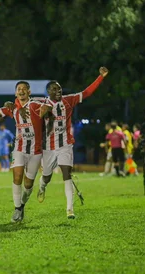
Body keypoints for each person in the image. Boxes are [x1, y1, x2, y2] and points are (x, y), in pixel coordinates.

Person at [36, 66, 109, 219]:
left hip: (65, 145)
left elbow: (87, 93)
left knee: (66, 174)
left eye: (60, 89)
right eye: (55, 89)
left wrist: (100, 77)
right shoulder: (41, 104)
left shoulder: (68, 101)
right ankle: (42, 186)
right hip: (48, 147)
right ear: (48, 92)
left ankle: (70, 209)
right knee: (47, 176)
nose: (59, 91)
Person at [0, 81, 51, 222]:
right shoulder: (12, 108)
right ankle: (17, 209)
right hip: (19, 148)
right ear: (15, 93)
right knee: (17, 177)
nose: (21, 91)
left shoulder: (35, 105)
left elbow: (49, 105)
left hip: (36, 150)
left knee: (28, 185)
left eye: (24, 89)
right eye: (18, 89)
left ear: (29, 91)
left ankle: (21, 205)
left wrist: (47, 109)